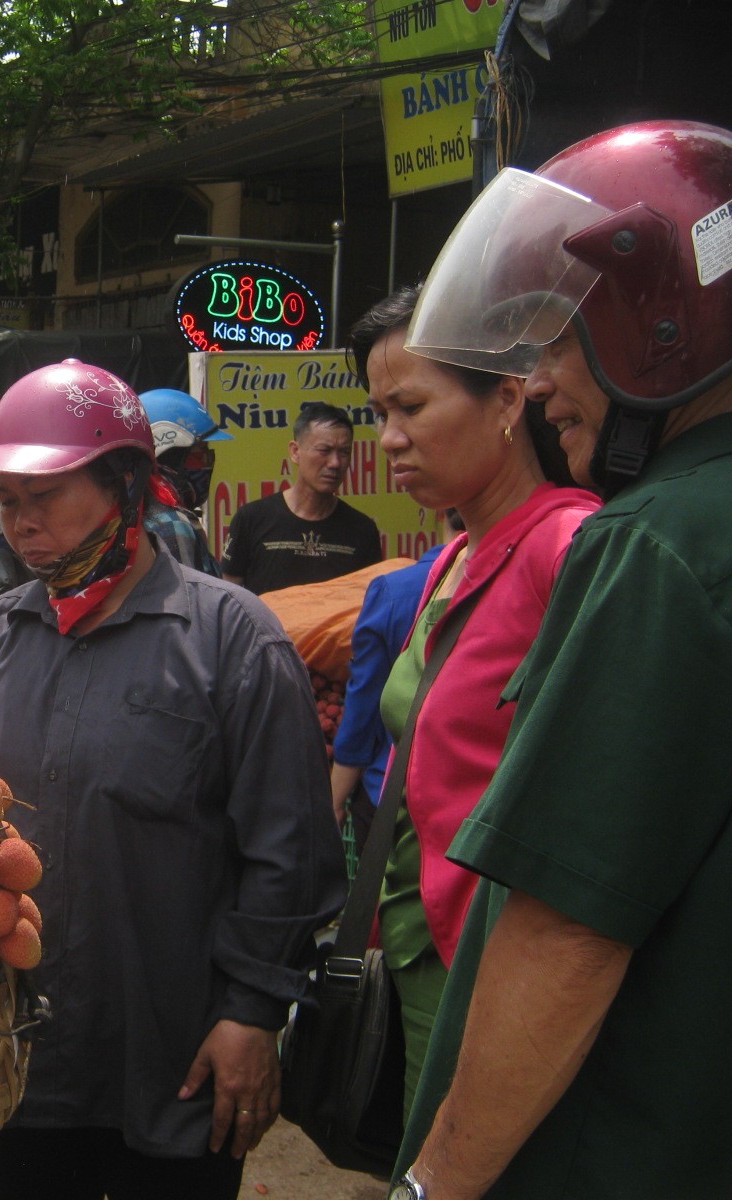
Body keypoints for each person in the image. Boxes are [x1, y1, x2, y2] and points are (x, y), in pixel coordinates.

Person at [390, 120, 732, 1200]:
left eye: (554, 340)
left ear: (658, 325)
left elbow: (566, 927)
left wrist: (432, 1182)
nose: (536, 385)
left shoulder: (656, 543)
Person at [0, 358, 345, 1200]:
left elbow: (291, 851)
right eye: (7, 502)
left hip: (176, 1063)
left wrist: (253, 1012)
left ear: (128, 484)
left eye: (42, 496)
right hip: (26, 1067)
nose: (21, 525)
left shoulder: (231, 637)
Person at [344, 286, 600, 1118]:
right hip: (424, 950)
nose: (389, 440)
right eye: (380, 413)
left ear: (508, 399)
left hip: (496, 968)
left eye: (411, 406)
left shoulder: (567, 546)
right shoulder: (454, 557)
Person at [328, 514, 455, 852]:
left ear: (441, 513)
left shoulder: (395, 590)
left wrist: (336, 798)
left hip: (391, 795)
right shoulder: (532, 576)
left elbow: (364, 704)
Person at [220, 402, 383, 593]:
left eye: (344, 452)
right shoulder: (251, 519)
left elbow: (370, 602)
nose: (335, 463)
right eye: (324, 450)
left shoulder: (362, 530)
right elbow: (229, 594)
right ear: (295, 452)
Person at [139, 387, 232, 576]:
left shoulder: (140, 513)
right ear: (170, 455)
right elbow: (194, 603)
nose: (207, 464)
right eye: (200, 455)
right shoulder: (172, 525)